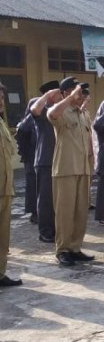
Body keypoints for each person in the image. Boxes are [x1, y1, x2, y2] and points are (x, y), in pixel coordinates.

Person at [47, 77, 94, 266]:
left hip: (82, 169)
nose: (81, 95)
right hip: (65, 169)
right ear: (66, 92)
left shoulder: (81, 114)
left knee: (80, 212)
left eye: (82, 92)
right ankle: (62, 250)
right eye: (78, 91)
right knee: (65, 212)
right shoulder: (62, 110)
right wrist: (68, 98)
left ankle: (75, 248)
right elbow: (51, 113)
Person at [30, 81, 61, 243]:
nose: (59, 95)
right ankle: (45, 232)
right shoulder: (40, 107)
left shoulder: (58, 110)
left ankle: (56, 229)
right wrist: (47, 96)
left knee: (57, 199)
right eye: (57, 93)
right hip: (45, 160)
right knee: (46, 199)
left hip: (59, 160)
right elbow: (34, 109)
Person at [0, 82, 22, 286]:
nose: (1, 102)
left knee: (3, 235)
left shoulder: (1, 124)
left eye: (2, 98)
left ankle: (0, 272)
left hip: (5, 188)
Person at [15, 99, 37, 224]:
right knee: (32, 187)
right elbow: (21, 138)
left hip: (37, 157)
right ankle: (34, 213)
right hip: (30, 158)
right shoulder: (27, 122)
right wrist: (25, 154)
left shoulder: (37, 121)